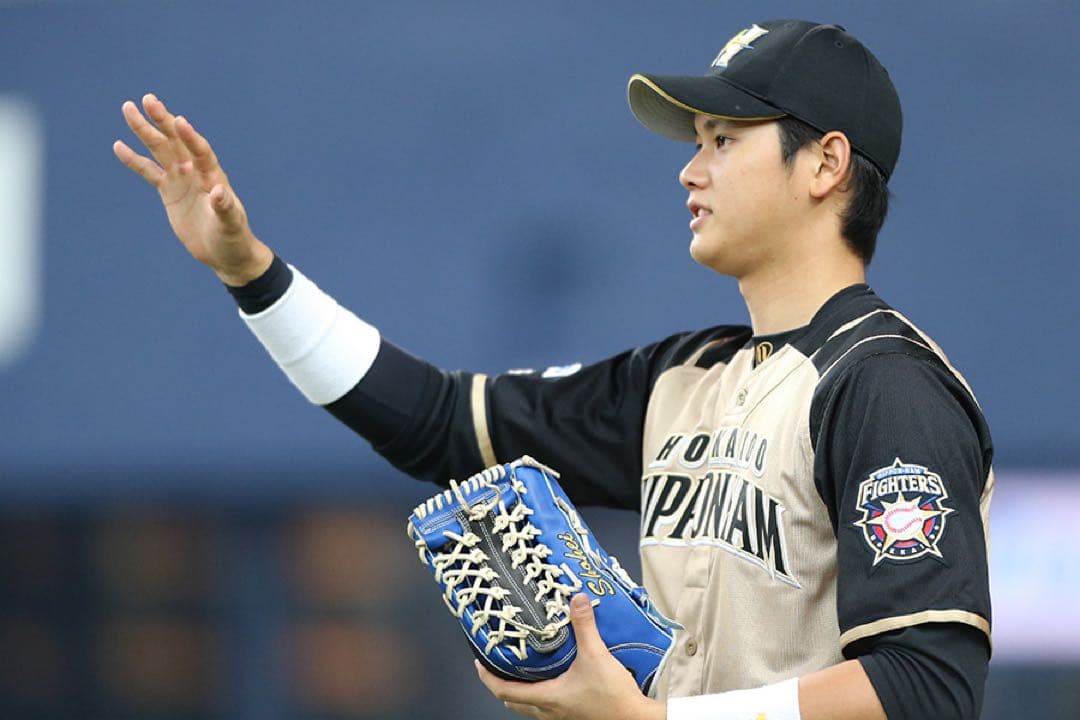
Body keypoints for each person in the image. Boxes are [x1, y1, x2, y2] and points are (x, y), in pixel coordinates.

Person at [113, 18, 992, 720]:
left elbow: (926, 685)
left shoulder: (885, 385)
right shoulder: (684, 378)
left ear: (826, 163)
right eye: (697, 141)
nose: (690, 170)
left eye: (725, 139)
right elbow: (437, 423)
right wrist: (250, 271)